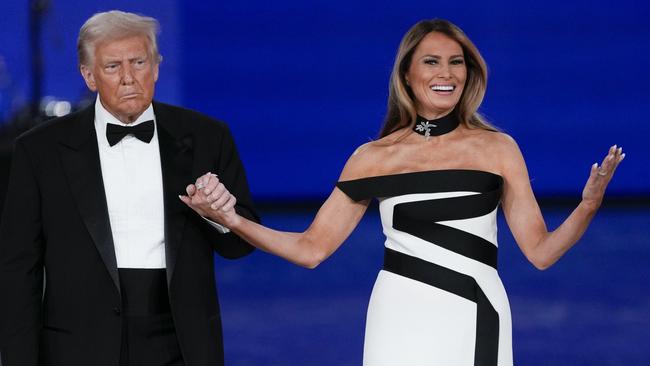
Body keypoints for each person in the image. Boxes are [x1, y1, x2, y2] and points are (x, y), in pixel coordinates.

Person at [180, 19, 624, 365]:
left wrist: (587, 206)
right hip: (398, 315)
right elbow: (310, 250)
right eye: (432, 61)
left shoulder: (497, 148)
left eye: (456, 61)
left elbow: (541, 252)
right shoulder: (373, 158)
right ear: (407, 74)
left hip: (474, 312)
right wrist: (232, 220)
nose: (446, 72)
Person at [0, 10, 258, 366]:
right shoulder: (40, 151)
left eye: (138, 62)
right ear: (88, 75)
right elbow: (17, 269)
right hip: (77, 346)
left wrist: (220, 217)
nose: (128, 78)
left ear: (156, 66)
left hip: (181, 340)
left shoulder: (207, 138)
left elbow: (241, 244)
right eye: (112, 67)